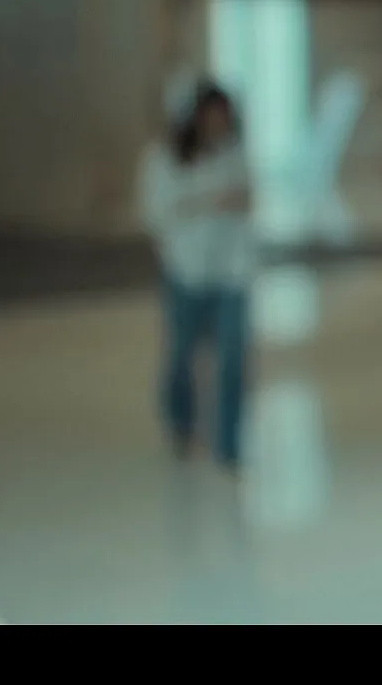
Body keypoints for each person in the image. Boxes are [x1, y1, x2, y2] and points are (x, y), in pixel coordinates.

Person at [139, 78, 255, 475]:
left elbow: (248, 198)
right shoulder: (164, 158)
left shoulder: (234, 152)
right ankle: (181, 423)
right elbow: (156, 213)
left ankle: (229, 443)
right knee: (182, 357)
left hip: (232, 271)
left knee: (233, 360)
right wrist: (208, 202)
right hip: (186, 270)